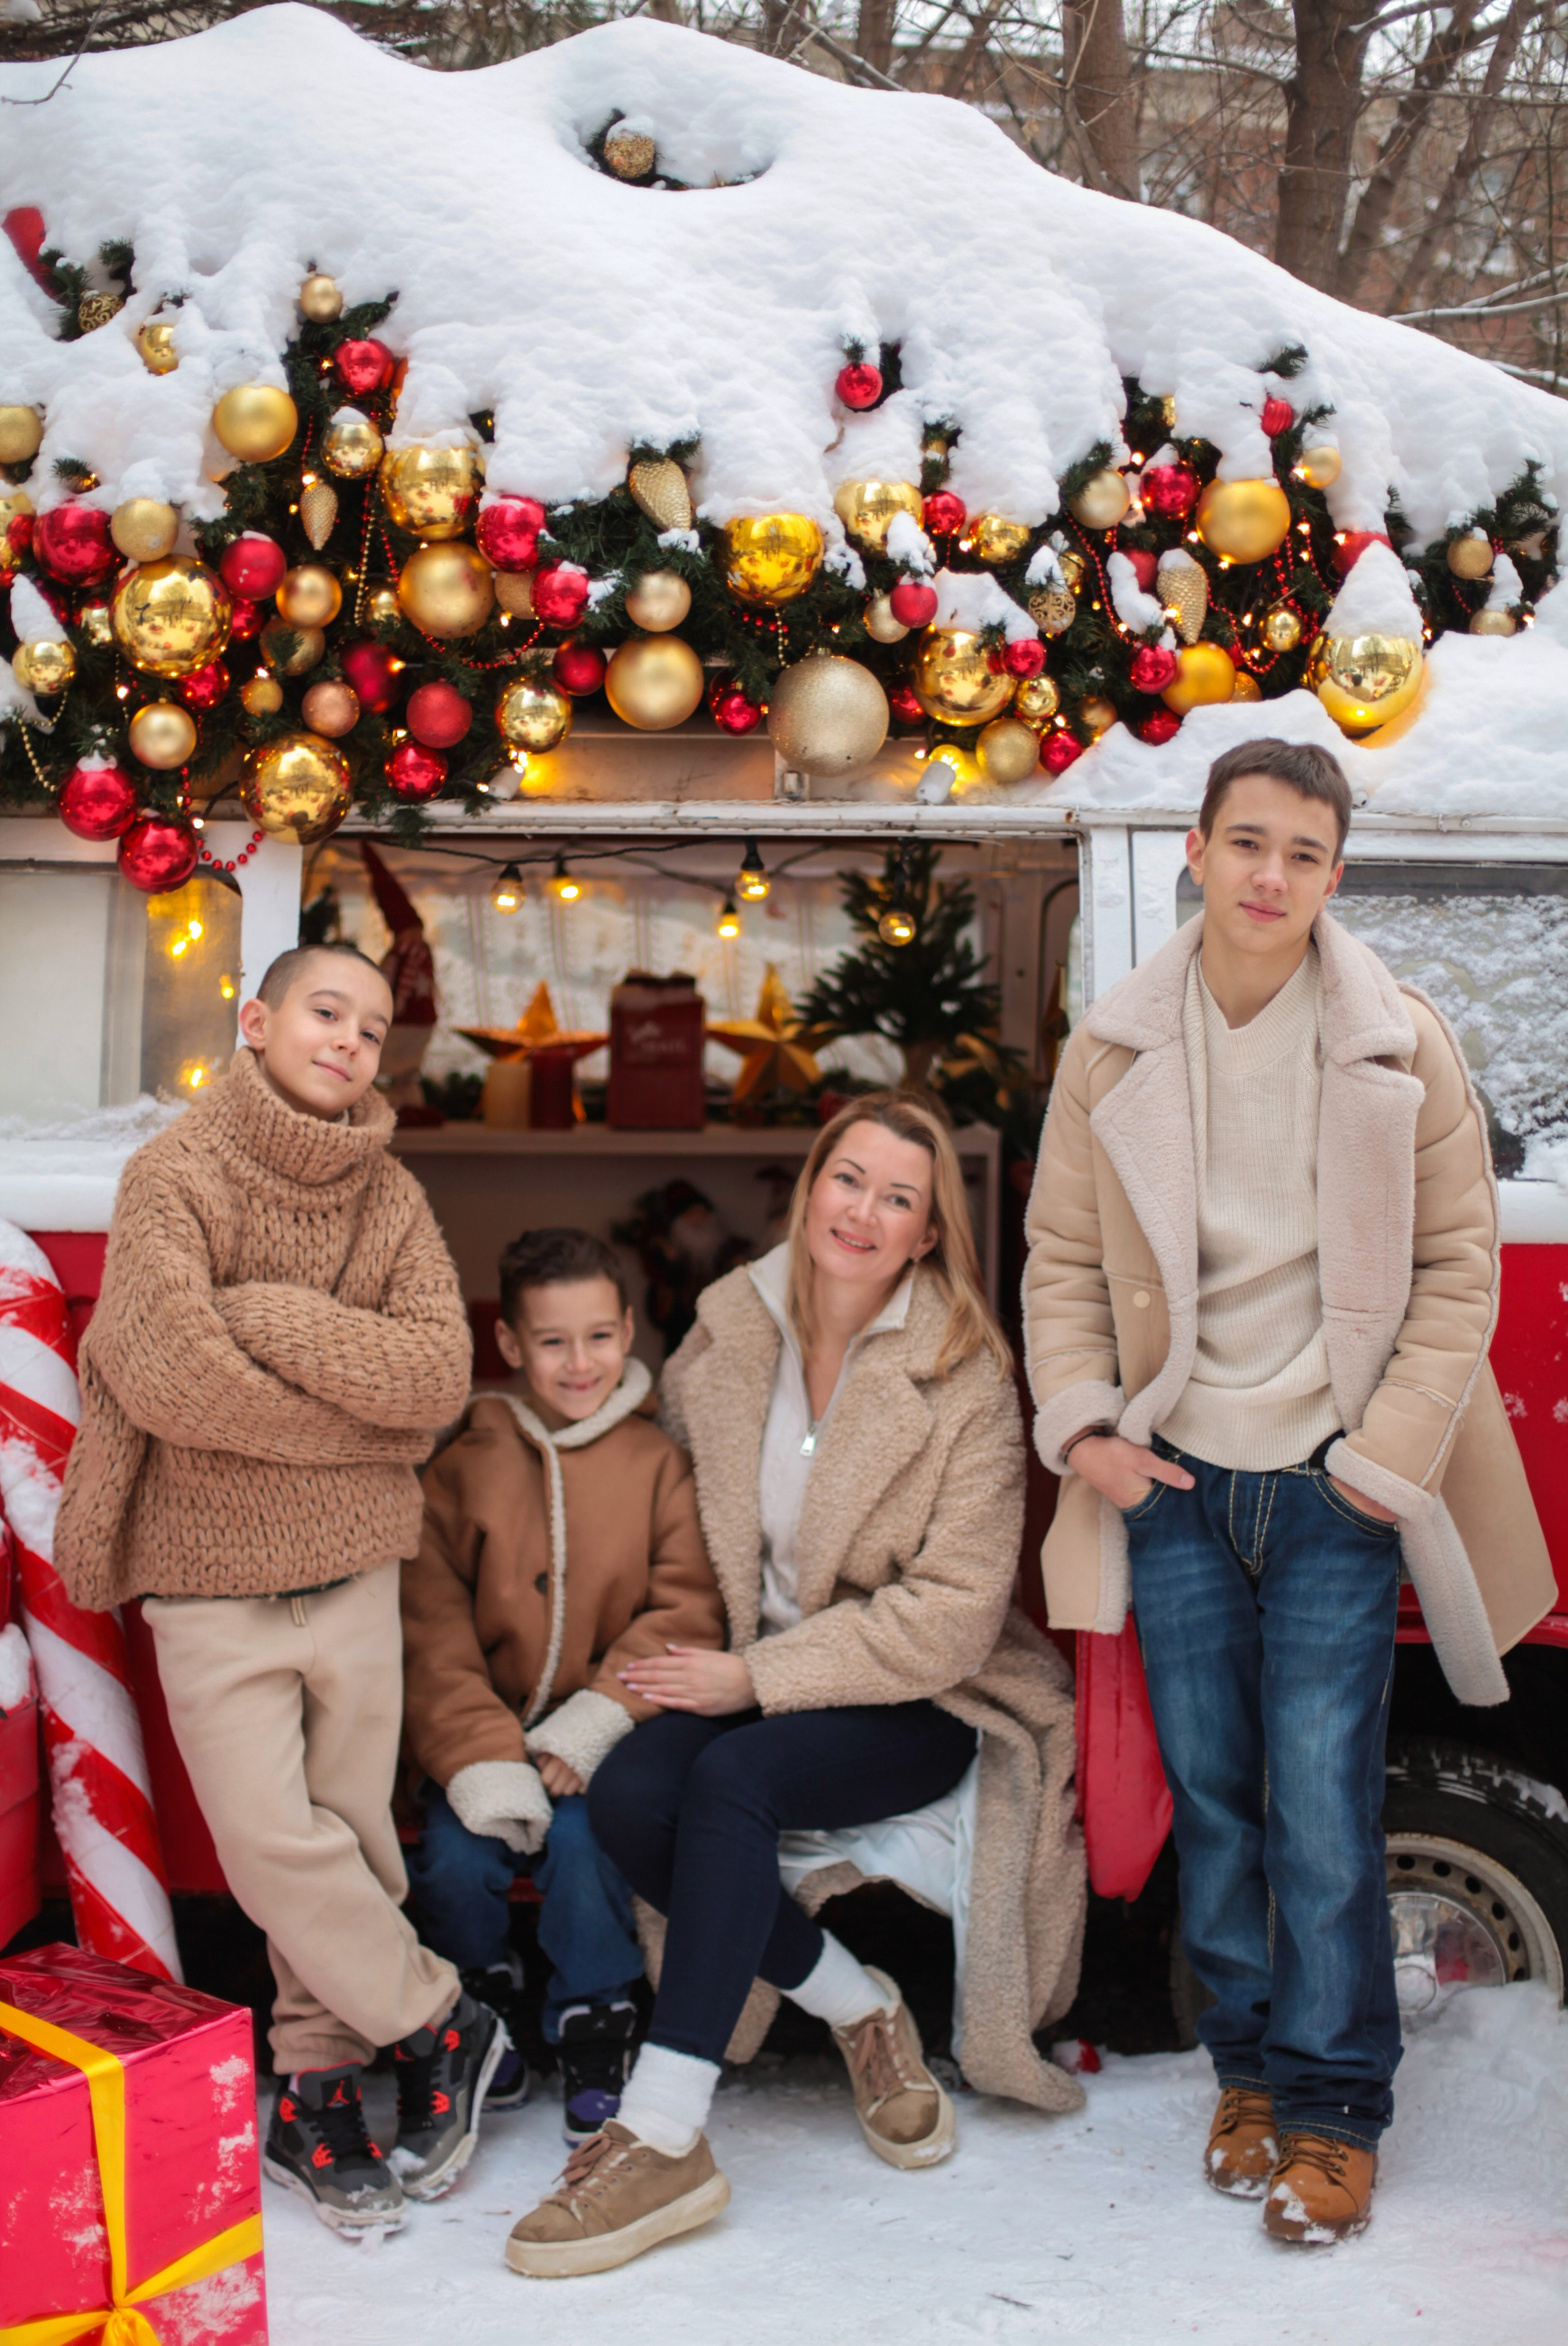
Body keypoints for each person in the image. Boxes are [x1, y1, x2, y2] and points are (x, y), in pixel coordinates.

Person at [1022, 740, 1555, 2246]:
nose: (1269, 876)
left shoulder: (1399, 1038)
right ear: (1195, 850)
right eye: (1244, 843)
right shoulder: (1114, 1048)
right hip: (1172, 1475)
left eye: (1301, 853)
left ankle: (1331, 2112)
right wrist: (1085, 1434)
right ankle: (1246, 2072)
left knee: (1320, 1807)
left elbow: (1460, 1269)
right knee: (1213, 1802)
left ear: (1333, 873)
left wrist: (1380, 1464)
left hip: (1334, 1484)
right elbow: (1059, 1263)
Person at [505, 1092, 1085, 2281]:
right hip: (736, 1674)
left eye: (898, 1199)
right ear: (810, 1185)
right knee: (627, 1800)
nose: (863, 1212)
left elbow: (951, 1617)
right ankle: (856, 2004)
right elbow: (674, 1529)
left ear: (927, 1234)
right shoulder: (726, 1333)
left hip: (912, 1697)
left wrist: (754, 1675)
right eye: (847, 1179)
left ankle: (663, 2134)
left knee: (727, 1781)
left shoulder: (965, 1375)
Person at [55, 942, 502, 2239]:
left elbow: (431, 1379)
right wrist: (353, 1433)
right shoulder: (174, 1177)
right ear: (255, 1021)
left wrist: (266, 1319)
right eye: (326, 1012)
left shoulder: (390, 1198)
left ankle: (311, 2086)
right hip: (210, 1576)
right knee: (269, 1842)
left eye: (371, 1030)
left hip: (357, 1570)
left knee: (352, 1834)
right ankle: (439, 2023)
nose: (349, 1044)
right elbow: (168, 1376)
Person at [402, 1225, 726, 2141]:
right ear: (509, 1346)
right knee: (456, 1864)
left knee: (589, 1854)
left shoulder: (659, 1466)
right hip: (480, 1742)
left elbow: (685, 1611)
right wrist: (478, 1755)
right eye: (551, 1341)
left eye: (597, 1337)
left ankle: (596, 2013)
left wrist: (598, 1722)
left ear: (629, 1332)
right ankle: (476, 1997)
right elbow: (432, 1632)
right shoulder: (461, 1471)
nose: (578, 1362)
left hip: (595, 1748)